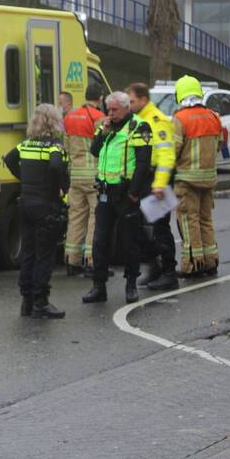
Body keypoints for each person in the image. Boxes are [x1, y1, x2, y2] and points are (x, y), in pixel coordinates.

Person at [83, 91, 152, 304]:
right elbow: (94, 151)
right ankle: (98, 285)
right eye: (108, 109)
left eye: (114, 110)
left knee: (129, 241)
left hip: (125, 193)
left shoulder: (139, 127)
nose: (110, 113)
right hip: (105, 192)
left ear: (126, 108)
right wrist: (102, 132)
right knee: (100, 241)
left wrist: (133, 193)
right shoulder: (105, 126)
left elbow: (143, 163)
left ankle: (131, 284)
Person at [3, 103, 70, 319]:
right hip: (45, 206)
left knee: (29, 253)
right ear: (54, 122)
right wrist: (57, 190)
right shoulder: (54, 147)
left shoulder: (26, 145)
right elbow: (55, 166)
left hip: (26, 204)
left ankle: (27, 301)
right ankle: (42, 301)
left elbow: (9, 159)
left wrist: (25, 179)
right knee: (45, 255)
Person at [126, 82, 178, 291]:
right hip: (146, 178)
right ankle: (155, 267)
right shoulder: (139, 119)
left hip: (157, 178)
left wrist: (159, 185)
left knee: (160, 229)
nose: (129, 105)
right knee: (141, 227)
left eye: (132, 101)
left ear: (143, 100)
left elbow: (166, 154)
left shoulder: (156, 120)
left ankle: (168, 273)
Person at [170, 76, 222, 277]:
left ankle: (193, 264)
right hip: (209, 178)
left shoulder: (180, 119)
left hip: (187, 179)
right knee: (205, 219)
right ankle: (211, 261)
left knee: (188, 220)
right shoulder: (213, 116)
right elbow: (218, 145)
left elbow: (173, 149)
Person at [63, 84, 106, 277]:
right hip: (93, 175)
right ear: (101, 98)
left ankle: (72, 260)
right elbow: (102, 146)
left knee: (75, 217)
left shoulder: (70, 117)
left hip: (75, 175)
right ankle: (91, 260)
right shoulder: (98, 118)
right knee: (95, 218)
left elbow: (65, 146)